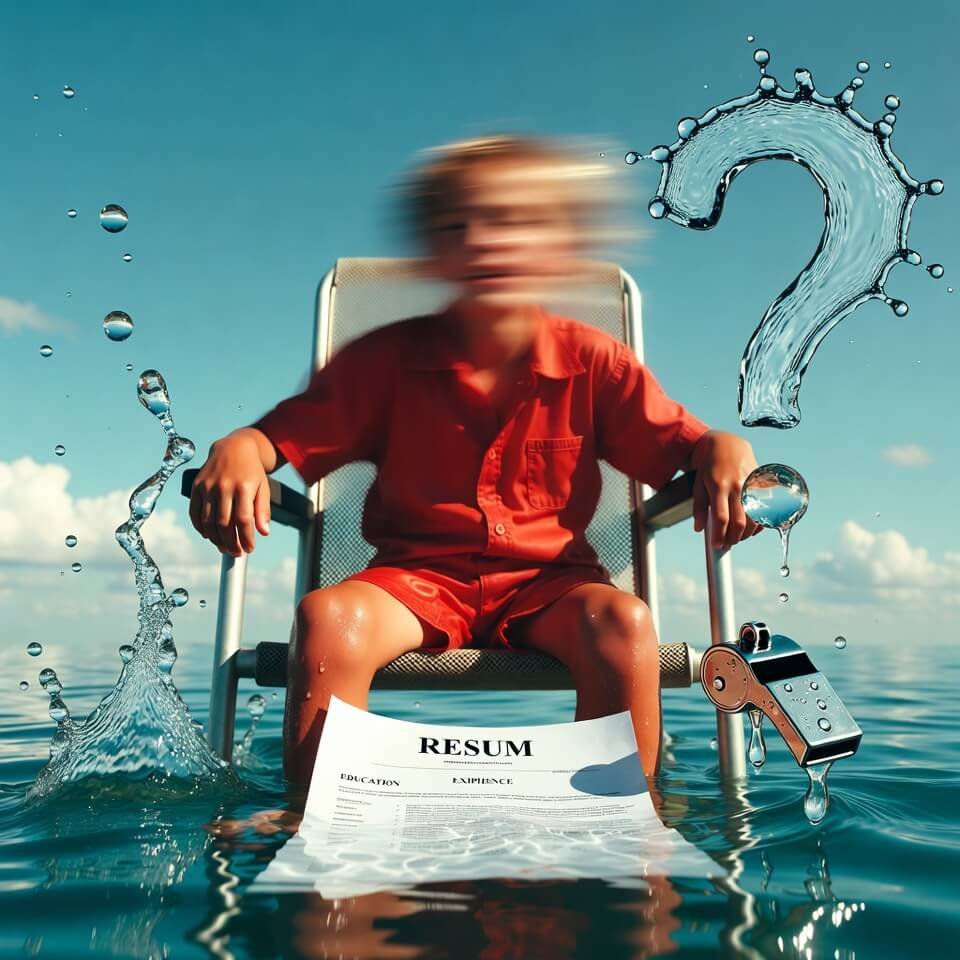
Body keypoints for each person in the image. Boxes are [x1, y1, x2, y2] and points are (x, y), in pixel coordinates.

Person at [189, 134, 760, 791]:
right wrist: (240, 447)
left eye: (517, 222)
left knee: (624, 624)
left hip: (552, 584)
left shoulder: (596, 362)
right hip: (415, 580)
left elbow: (683, 444)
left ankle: (630, 828)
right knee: (327, 620)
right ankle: (316, 832)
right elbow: (281, 437)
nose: (488, 239)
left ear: (561, 248)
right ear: (433, 252)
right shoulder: (382, 361)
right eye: (460, 225)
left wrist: (726, 447)